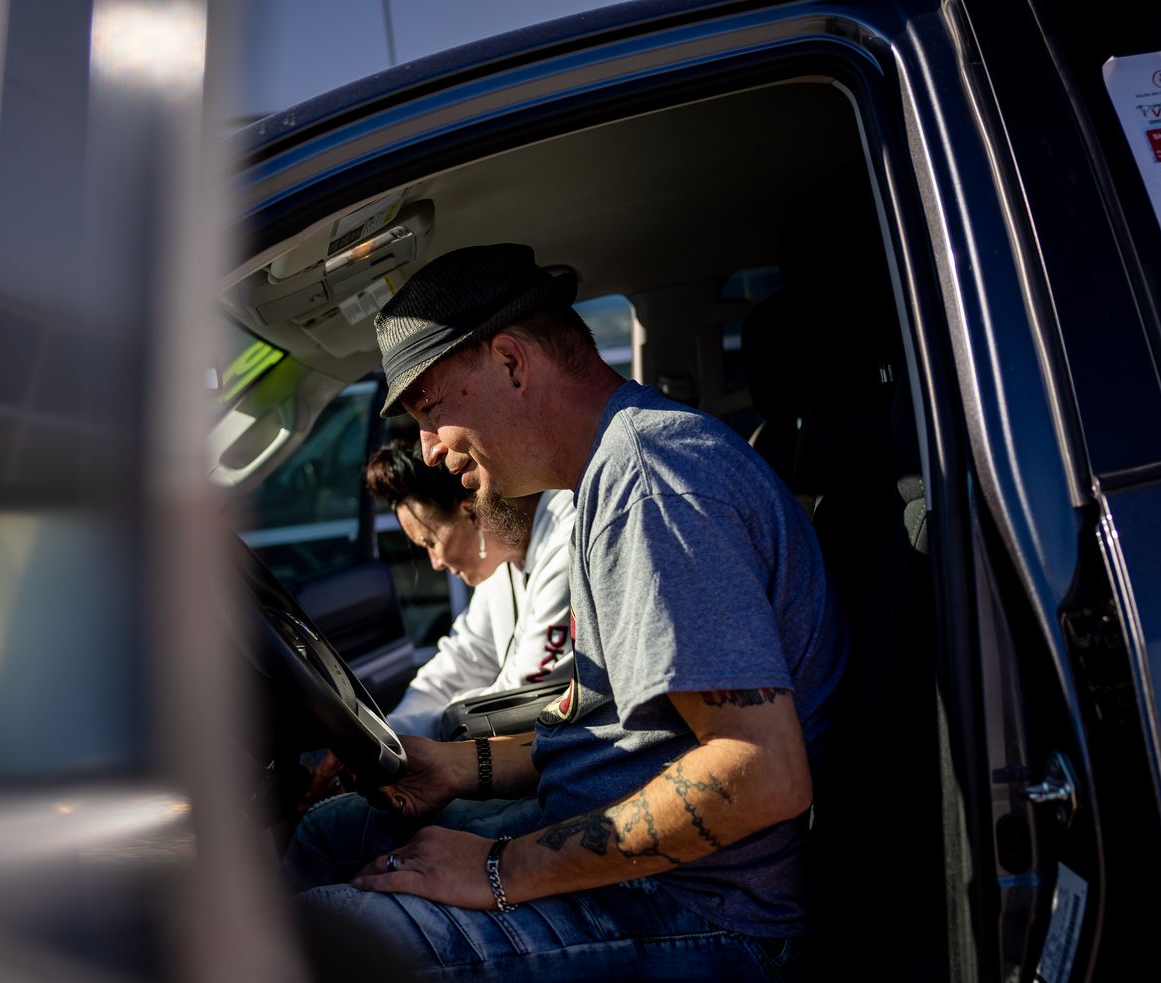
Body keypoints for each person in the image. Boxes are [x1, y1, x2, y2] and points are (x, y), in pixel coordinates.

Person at [283, 243, 848, 981]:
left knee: (323, 938)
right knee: (338, 834)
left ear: (513, 364)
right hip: (635, 868)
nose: (428, 448)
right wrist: (458, 764)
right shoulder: (606, 477)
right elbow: (635, 735)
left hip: (704, 912)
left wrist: (498, 868)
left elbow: (762, 770)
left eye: (429, 410)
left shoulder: (652, 480)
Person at [365, 441, 576, 738]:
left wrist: (415, 735)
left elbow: (527, 694)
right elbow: (466, 654)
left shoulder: (567, 542)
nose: (436, 563)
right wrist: (392, 730)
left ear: (470, 512)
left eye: (431, 542)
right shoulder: (502, 561)